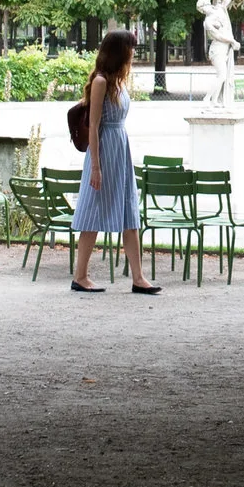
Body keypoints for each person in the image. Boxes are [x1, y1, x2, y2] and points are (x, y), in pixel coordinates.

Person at [70, 31, 157, 294]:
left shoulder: (119, 82)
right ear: (119, 52)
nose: (133, 54)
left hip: (121, 148)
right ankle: (80, 276)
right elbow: (94, 125)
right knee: (93, 209)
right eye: (129, 50)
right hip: (105, 149)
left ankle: (138, 277)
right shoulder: (100, 82)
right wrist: (95, 166)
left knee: (130, 210)